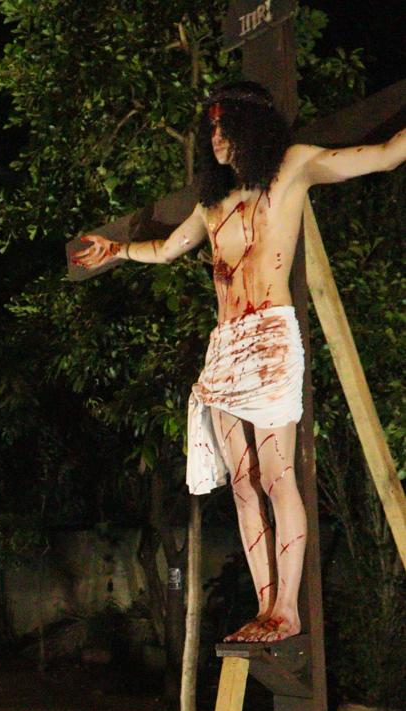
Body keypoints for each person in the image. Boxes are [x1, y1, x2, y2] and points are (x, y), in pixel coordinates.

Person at [73, 81, 406, 643]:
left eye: (226, 127)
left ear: (253, 127)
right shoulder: (211, 205)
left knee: (277, 475)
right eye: (211, 130)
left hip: (270, 339)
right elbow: (168, 248)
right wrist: (119, 250)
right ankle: (264, 606)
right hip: (224, 348)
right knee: (244, 484)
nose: (217, 138)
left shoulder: (292, 169)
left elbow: (384, 155)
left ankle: (288, 609)